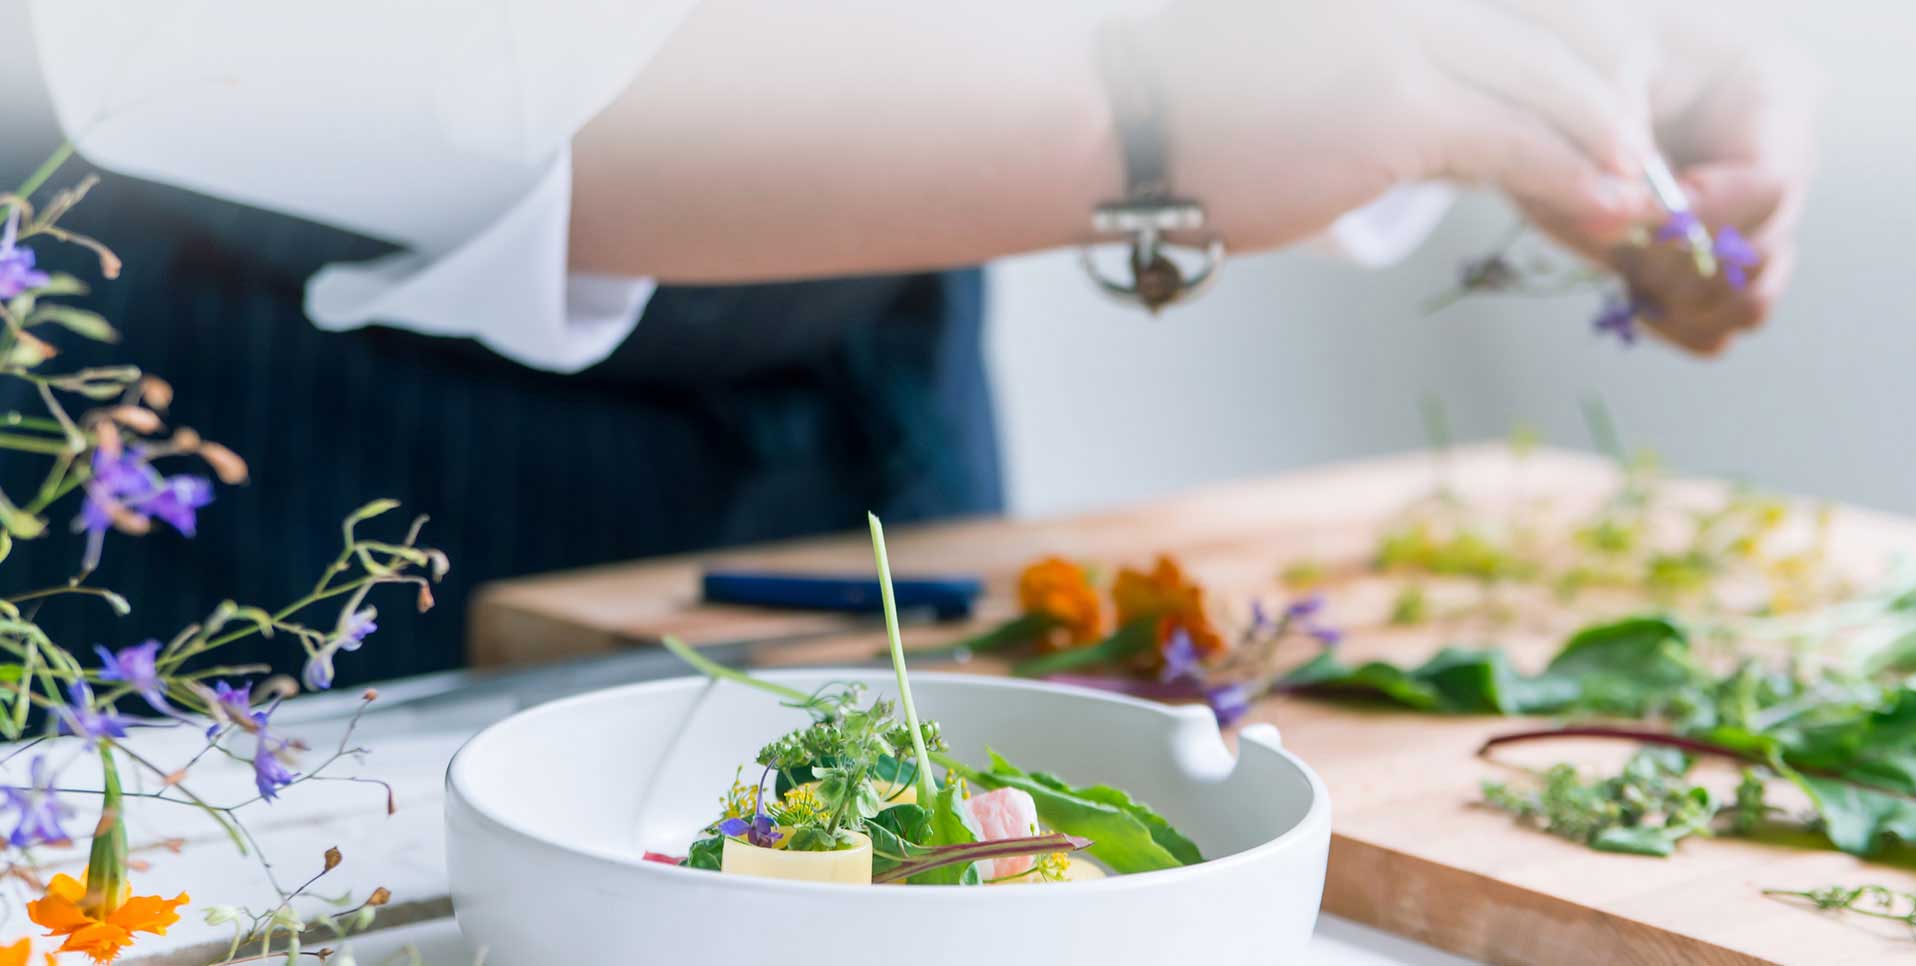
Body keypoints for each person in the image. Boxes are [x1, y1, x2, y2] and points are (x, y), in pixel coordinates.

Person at [0, 0, 1817, 684]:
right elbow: (224, 52)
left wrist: (1576, 57)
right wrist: (1150, 130)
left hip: (877, 404)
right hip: (240, 480)